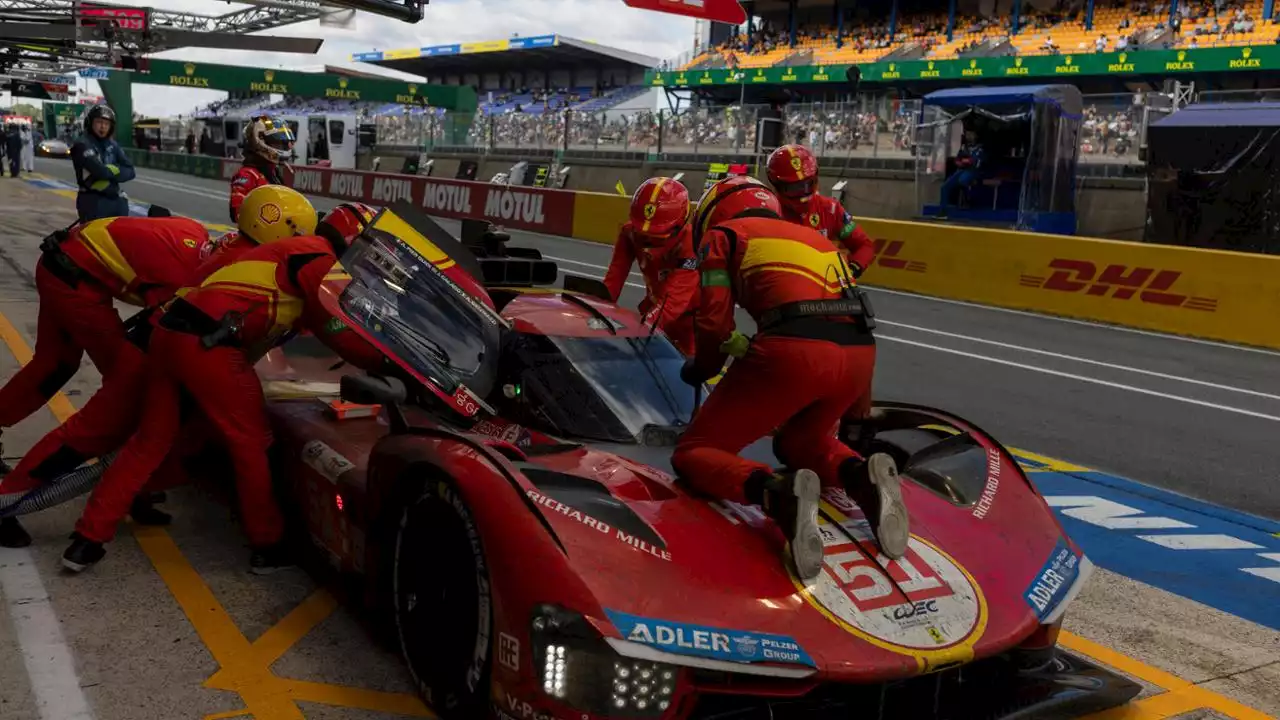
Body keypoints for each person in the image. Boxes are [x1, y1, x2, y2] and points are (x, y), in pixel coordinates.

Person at [0, 204, 380, 552]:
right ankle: (7, 499)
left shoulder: (236, 251)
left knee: (148, 437)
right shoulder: (288, 259)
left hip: (151, 340)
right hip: (153, 349)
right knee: (94, 433)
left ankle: (110, 515)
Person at [671, 176, 908, 581]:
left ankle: (776, 494)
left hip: (793, 350)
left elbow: (712, 322)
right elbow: (858, 316)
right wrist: (858, 409)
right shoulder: (816, 240)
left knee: (694, 451)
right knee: (801, 442)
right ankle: (859, 474)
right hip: (859, 355)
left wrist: (703, 368)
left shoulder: (723, 235)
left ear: (714, 211)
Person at [0, 215, 212, 474]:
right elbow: (163, 337)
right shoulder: (181, 277)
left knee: (54, 365)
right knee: (129, 381)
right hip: (75, 282)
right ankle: (125, 474)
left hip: (57, 262)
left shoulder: (195, 231)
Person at [603, 178, 699, 355]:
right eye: (641, 233)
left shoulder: (692, 244)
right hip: (653, 311)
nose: (646, 242)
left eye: (656, 237)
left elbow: (673, 302)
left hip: (690, 325)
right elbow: (613, 280)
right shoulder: (629, 233)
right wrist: (594, 314)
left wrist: (639, 329)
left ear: (680, 225)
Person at [765, 144, 876, 278]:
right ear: (777, 185)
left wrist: (851, 270)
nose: (802, 192)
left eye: (807, 184)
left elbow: (864, 245)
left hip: (823, 288)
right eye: (794, 187)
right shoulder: (766, 213)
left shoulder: (831, 209)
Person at [71, 105, 135, 222]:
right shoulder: (82, 144)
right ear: (90, 123)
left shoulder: (112, 144)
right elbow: (100, 171)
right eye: (99, 122)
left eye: (106, 124)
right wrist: (116, 170)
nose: (103, 127)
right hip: (92, 201)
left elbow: (130, 171)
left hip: (116, 200)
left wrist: (111, 169)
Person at [229, 116, 295, 223]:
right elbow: (237, 213)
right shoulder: (247, 174)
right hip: (258, 234)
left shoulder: (273, 171)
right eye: (277, 143)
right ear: (259, 141)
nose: (283, 147)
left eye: (284, 143)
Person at [939, 128, 985, 213]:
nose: (968, 136)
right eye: (967, 134)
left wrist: (965, 161)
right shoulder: (964, 147)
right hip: (961, 170)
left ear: (976, 136)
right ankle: (942, 212)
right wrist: (959, 162)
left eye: (971, 134)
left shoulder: (979, 149)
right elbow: (958, 159)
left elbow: (974, 162)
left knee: (963, 180)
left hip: (973, 171)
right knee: (944, 187)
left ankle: (968, 199)